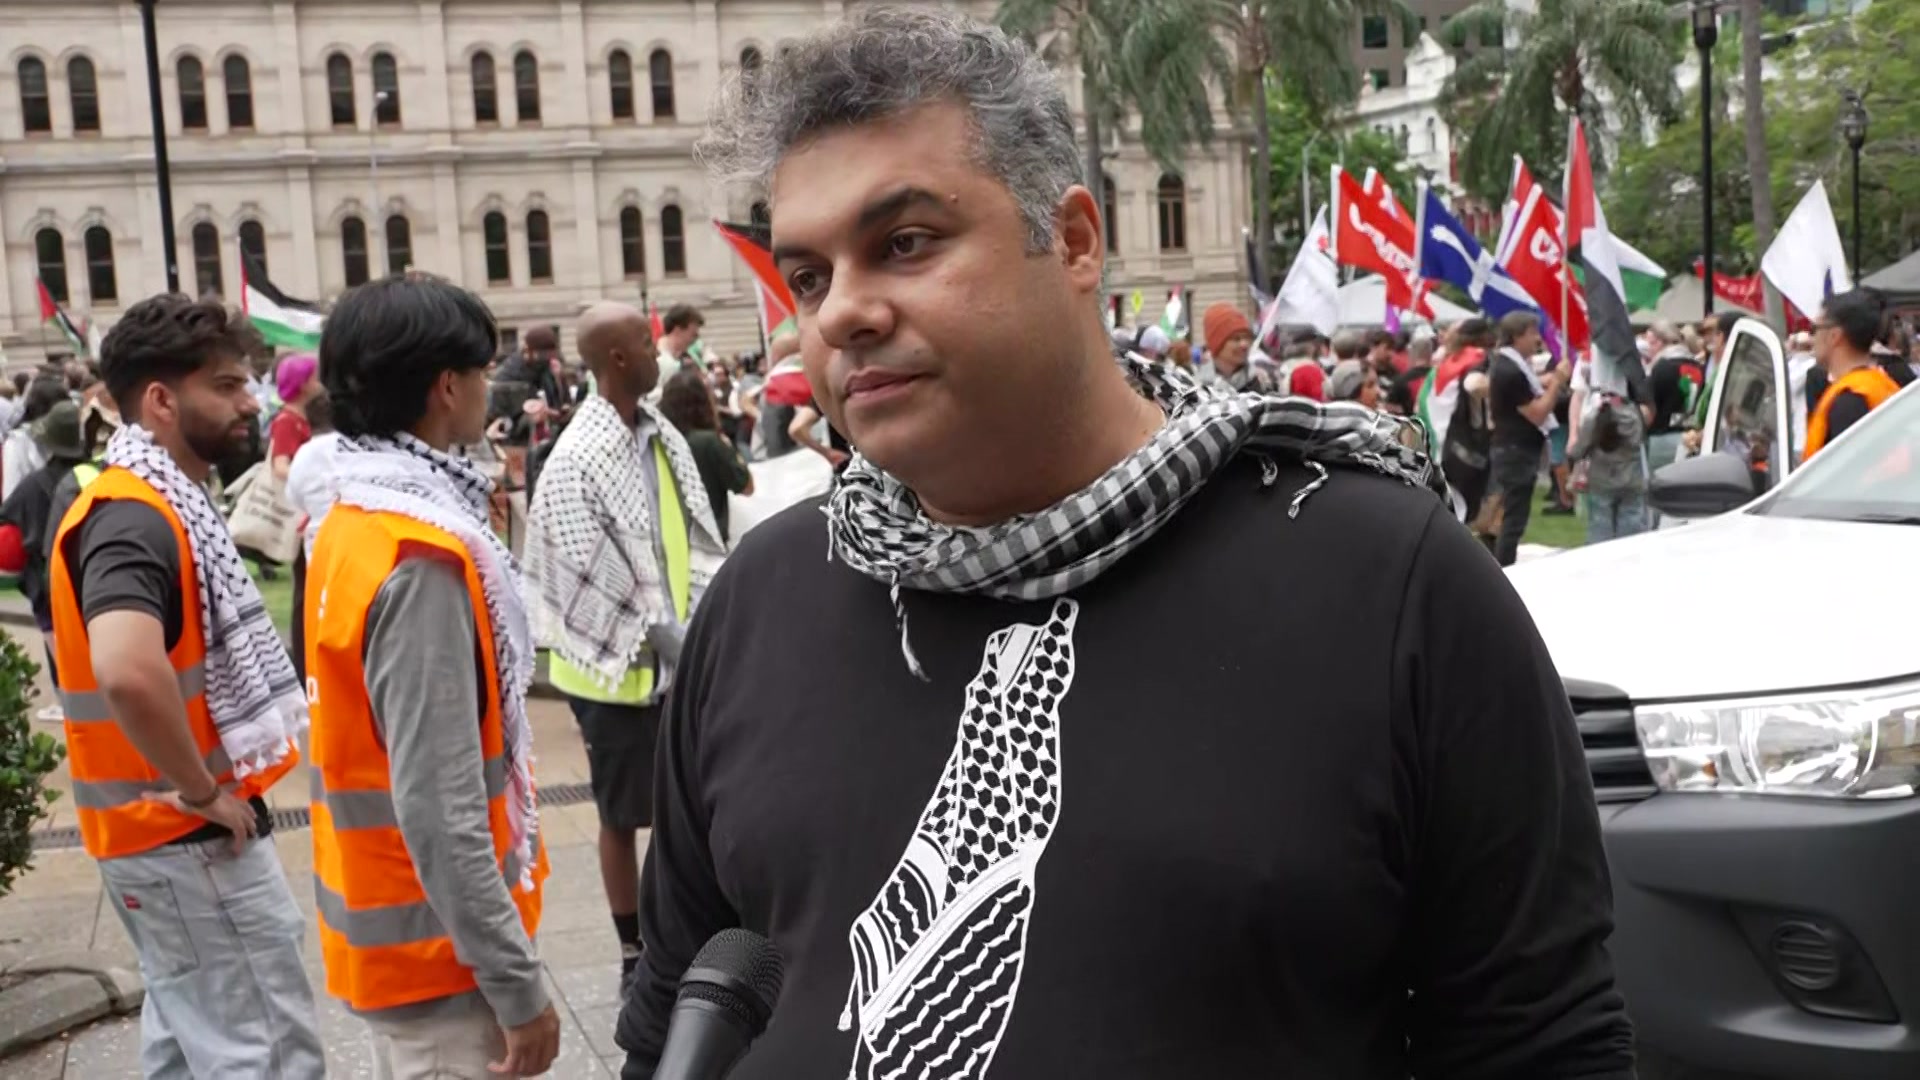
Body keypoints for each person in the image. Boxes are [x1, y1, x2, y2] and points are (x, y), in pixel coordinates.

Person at [615, 10, 1632, 1078]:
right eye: (810, 277)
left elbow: (1544, 1045)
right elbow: (674, 1018)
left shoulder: (1390, 584)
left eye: (905, 243)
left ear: (1074, 242)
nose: (840, 316)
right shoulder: (760, 601)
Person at [46, 294, 323, 1078]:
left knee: (190, 1047)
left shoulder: (146, 501)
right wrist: (203, 791)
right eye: (228, 385)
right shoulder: (135, 515)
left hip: (160, 838)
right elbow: (127, 669)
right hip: (184, 838)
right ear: (162, 402)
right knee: (266, 1057)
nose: (251, 402)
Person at [307, 275, 558, 1077]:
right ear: (447, 387)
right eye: (481, 370)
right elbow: (442, 811)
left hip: (399, 941)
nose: (489, 386)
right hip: (441, 962)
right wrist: (517, 985)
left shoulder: (350, 519)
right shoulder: (420, 558)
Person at [523, 303, 729, 991]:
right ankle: (633, 950)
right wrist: (684, 647)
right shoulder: (577, 457)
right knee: (622, 817)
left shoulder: (660, 435)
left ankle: (684, 931)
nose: (655, 349)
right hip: (613, 673)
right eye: (645, 341)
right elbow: (599, 580)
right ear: (617, 358)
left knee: (685, 810)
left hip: (677, 658)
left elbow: (687, 537)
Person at [1487, 311, 1566, 567]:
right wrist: (1557, 382)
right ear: (1517, 336)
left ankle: (1497, 564)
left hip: (1513, 448)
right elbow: (1538, 413)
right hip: (1516, 451)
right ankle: (1506, 570)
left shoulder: (1508, 364)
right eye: (1532, 333)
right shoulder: (1510, 370)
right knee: (1513, 520)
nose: (1537, 339)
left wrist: (1546, 381)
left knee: (1507, 515)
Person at [659, 368, 756, 541]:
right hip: (712, 538)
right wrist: (730, 449)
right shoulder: (710, 442)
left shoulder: (659, 441)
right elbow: (746, 487)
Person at [1805, 289, 1902, 458]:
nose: (1810, 337)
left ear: (1834, 336)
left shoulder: (1849, 402)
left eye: (1814, 329)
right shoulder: (1880, 385)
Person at [1568, 390, 1649, 544]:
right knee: (1631, 525)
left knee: (1600, 526)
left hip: (1601, 479)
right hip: (1631, 479)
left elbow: (1579, 450)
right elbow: (1640, 442)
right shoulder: (1635, 417)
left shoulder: (1594, 418)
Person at [1643, 322, 1703, 474]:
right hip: (1691, 438)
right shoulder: (1698, 366)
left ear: (1659, 343)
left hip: (1660, 440)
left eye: (1650, 344)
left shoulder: (1660, 368)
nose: (1648, 350)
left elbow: (1648, 406)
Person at [1197, 303, 1272, 392]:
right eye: (1236, 339)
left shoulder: (1262, 382)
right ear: (1217, 344)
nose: (1244, 344)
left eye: (1247, 337)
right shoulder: (1198, 388)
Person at [267, 353, 320, 479]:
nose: (320, 383)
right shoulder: (287, 421)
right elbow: (280, 467)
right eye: (316, 379)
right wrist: (314, 479)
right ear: (303, 384)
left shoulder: (299, 418)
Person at [658, 304, 705, 374]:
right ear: (678, 330)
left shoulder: (684, 358)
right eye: (693, 335)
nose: (695, 340)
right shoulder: (658, 361)